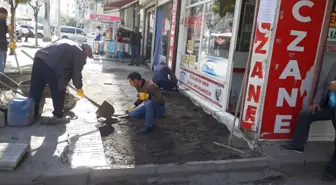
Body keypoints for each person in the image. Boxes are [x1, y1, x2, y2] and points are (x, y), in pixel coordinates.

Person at [280, 62, 336, 181]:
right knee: (305, 115)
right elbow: (325, 84)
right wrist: (317, 102)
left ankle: (332, 171)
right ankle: (298, 145)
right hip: (329, 107)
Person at [29, 39, 93, 124]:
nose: (86, 57)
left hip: (39, 59)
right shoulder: (80, 52)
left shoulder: (70, 43)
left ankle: (31, 114)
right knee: (59, 89)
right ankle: (58, 116)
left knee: (36, 88)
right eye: (88, 55)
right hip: (51, 65)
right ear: (87, 50)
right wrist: (79, 87)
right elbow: (76, 73)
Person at [0, 7, 9, 72]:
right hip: (1, 45)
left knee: (2, 64)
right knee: (1, 64)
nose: (5, 16)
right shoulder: (2, 21)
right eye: (4, 14)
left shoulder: (3, 21)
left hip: (3, 45)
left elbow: (4, 32)